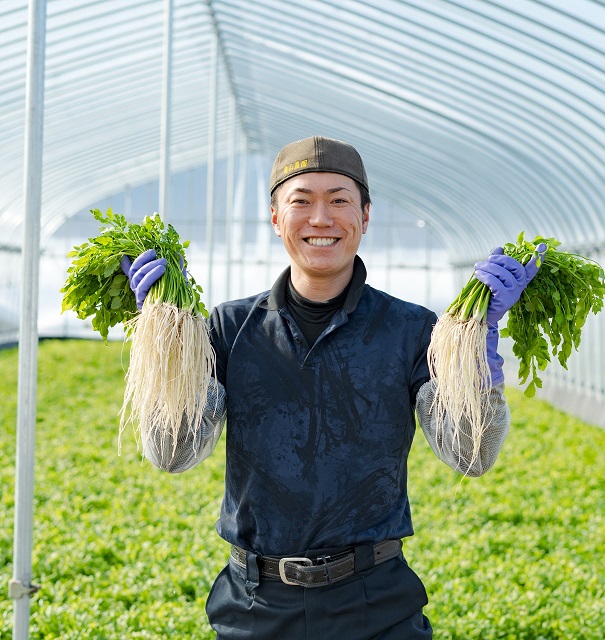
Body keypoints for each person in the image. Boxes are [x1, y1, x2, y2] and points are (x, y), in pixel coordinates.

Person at [121, 136, 545, 639]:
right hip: (256, 605)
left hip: (376, 602)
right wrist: (167, 348)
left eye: (339, 200)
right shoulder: (228, 328)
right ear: (276, 217)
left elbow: (470, 456)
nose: (320, 218)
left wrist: (475, 365)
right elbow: (173, 453)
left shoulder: (412, 330)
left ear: (365, 216)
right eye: (301, 201)